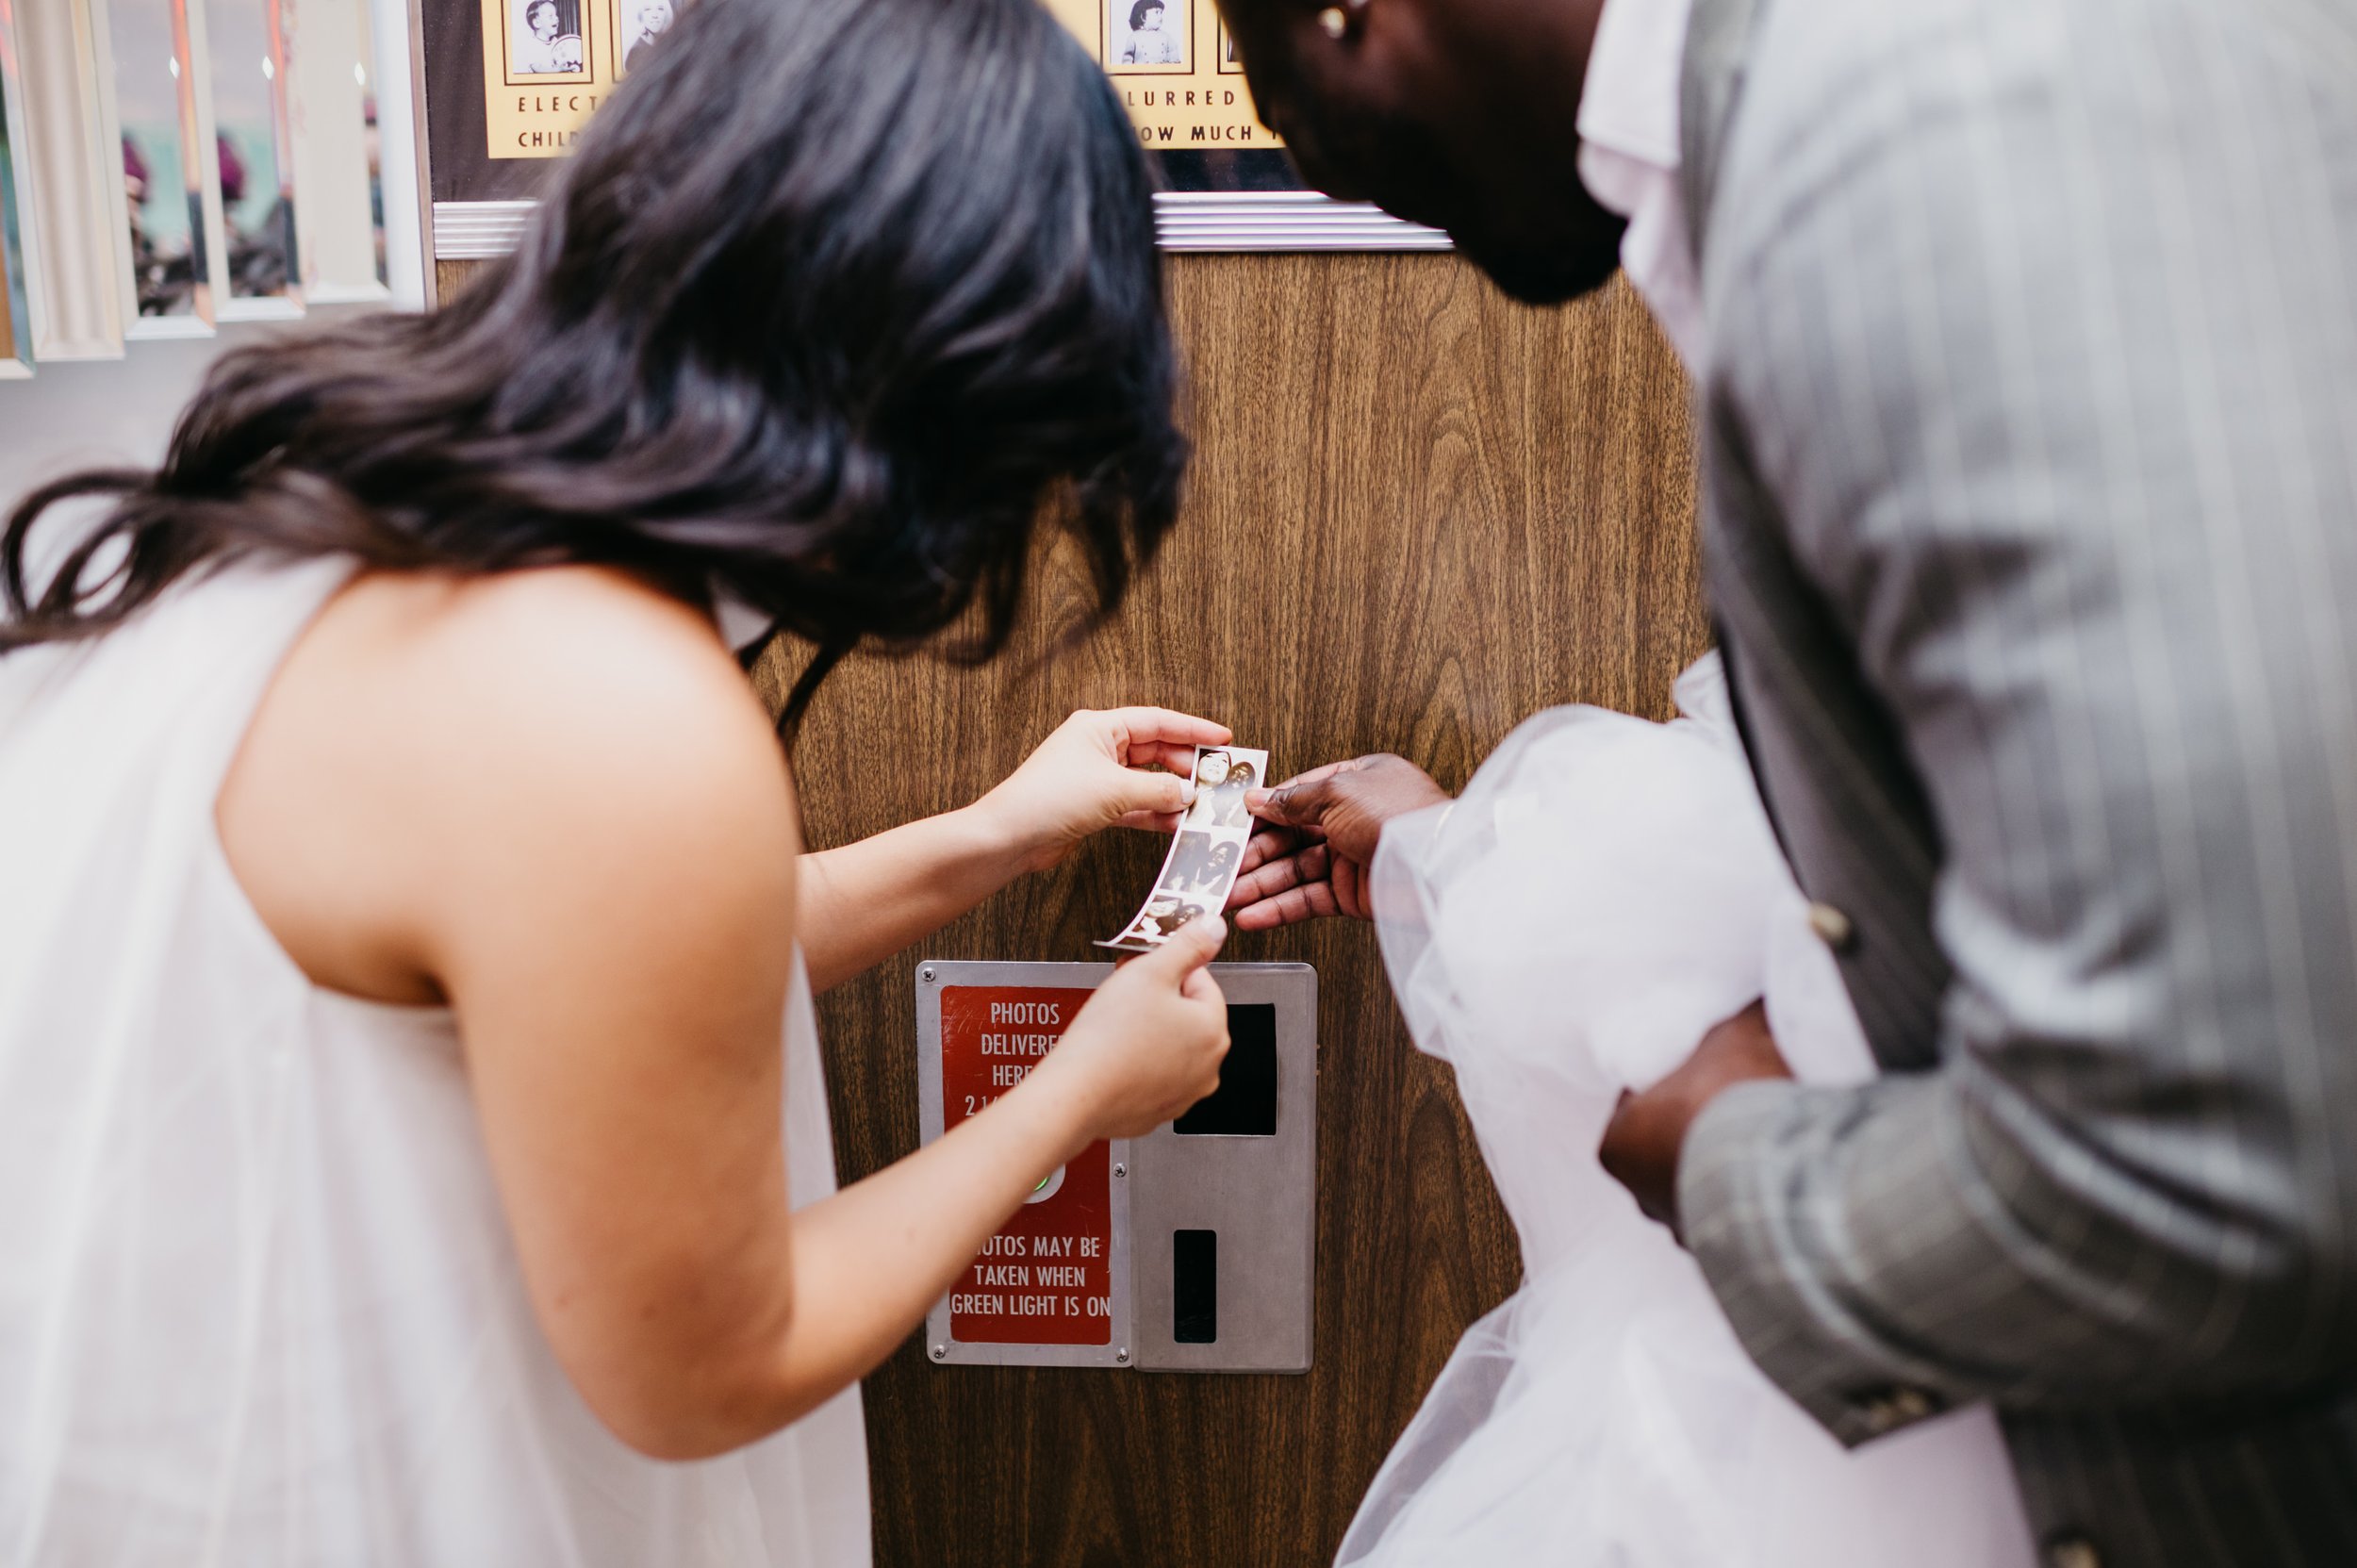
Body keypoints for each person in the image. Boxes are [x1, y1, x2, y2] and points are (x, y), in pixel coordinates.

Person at [0, 0, 1231, 1561]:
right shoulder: (606, 695)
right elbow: (713, 1359)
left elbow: (604, 986)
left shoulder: (375, 498)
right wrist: (1077, 1090)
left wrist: (989, 834)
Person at [1219, 0, 2357, 1560]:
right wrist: (1453, 850)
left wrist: (1728, 1163)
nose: (1323, 169)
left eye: (1275, 82)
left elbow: (2208, 1165)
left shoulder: (1911, 142)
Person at [1121, 0, 1182, 66]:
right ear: (1143, 16)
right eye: (1157, 12)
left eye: (1161, 13)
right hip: (1140, 75)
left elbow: (1174, 58)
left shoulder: (1166, 37)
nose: (1160, 16)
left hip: (1162, 74)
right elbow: (1127, 61)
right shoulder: (1134, 38)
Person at [513, 0, 567, 73]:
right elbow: (539, 68)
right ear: (537, 23)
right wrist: (559, 69)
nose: (557, 18)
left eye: (556, 15)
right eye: (550, 16)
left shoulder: (556, 41)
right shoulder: (530, 45)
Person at [623, 0, 673, 70]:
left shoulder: (671, 45)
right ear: (641, 15)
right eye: (648, 9)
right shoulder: (636, 52)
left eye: (660, 9)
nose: (655, 15)